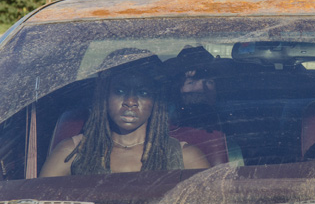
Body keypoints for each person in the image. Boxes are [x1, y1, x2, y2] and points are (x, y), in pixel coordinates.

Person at [40, 48, 210, 177]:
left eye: (143, 93)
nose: (130, 102)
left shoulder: (186, 158)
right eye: (120, 91)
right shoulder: (71, 153)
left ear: (156, 101)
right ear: (104, 95)